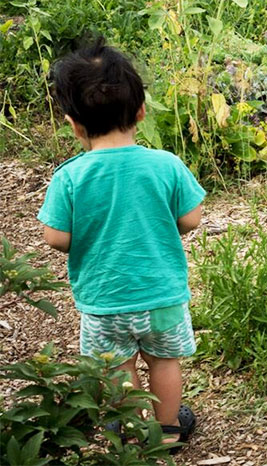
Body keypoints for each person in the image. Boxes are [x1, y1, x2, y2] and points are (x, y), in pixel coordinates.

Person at [37, 37, 204, 450]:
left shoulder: (71, 177)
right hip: (162, 295)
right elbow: (191, 218)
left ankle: (132, 430)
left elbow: (56, 237)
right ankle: (167, 432)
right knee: (164, 361)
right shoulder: (166, 164)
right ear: (142, 111)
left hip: (106, 299)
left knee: (118, 366)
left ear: (74, 124)